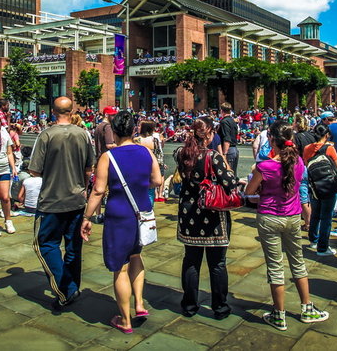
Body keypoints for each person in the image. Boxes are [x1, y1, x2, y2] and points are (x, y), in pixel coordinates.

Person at [81, 111, 162, 334]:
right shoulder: (146, 152)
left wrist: (87, 218)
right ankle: (139, 304)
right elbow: (157, 180)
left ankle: (125, 320)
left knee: (120, 267)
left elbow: (98, 190)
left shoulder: (108, 157)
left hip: (119, 216)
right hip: (141, 212)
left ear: (114, 131)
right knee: (136, 256)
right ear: (134, 129)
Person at [245, 121, 329, 331]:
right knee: (297, 262)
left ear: (272, 140)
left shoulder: (264, 166)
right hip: (292, 216)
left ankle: (279, 314)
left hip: (268, 217)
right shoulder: (298, 162)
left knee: (275, 266)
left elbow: (249, 192)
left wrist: (259, 195)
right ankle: (306, 307)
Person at [28, 97, 94, 310]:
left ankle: (65, 289)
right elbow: (88, 169)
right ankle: (72, 286)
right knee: (73, 247)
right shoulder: (83, 134)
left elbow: (34, 170)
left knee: (45, 244)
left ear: (53, 111)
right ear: (72, 110)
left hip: (52, 199)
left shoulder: (46, 135)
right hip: (77, 198)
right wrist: (83, 190)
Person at [175, 118, 238, 320]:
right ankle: (219, 307)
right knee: (217, 263)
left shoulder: (181, 154)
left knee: (191, 261)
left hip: (189, 213)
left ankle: (189, 305)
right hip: (212, 215)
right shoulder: (213, 157)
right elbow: (230, 183)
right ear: (209, 133)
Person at [303, 123, 337, 256]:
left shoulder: (307, 148)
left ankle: (313, 239)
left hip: (314, 185)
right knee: (326, 217)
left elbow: (306, 164)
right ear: (326, 135)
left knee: (315, 214)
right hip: (328, 185)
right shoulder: (329, 148)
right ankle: (323, 247)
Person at [218, 102, 239, 174]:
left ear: (221, 111)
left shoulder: (224, 122)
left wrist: (224, 154)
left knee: (227, 173)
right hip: (234, 149)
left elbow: (227, 139)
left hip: (228, 150)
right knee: (233, 174)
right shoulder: (232, 121)